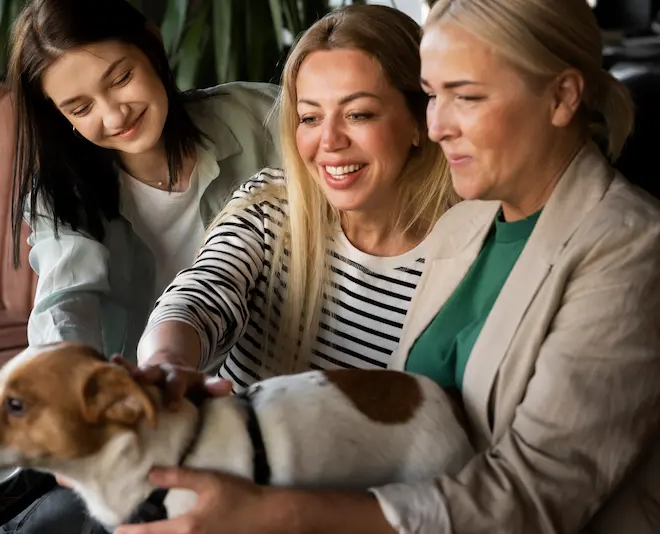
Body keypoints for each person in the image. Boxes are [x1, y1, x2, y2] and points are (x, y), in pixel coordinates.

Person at [115, 1, 660, 533]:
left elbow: (531, 496)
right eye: (432, 96)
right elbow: (204, 294)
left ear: (563, 96)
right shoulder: (477, 223)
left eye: (464, 97)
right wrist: (167, 363)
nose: (440, 124)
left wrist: (275, 513)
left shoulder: (626, 246)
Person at [135, 4, 456, 390]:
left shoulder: (469, 252)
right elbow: (201, 295)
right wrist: (165, 363)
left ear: (420, 122)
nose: (329, 141)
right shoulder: (270, 207)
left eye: (359, 114)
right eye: (310, 117)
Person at [9, 0, 281, 368]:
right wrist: (64, 374)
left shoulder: (262, 117)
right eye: (81, 108)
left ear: (152, 45)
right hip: (151, 400)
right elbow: (65, 303)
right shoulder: (62, 196)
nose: (114, 115)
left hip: (278, 386)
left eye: (121, 79)